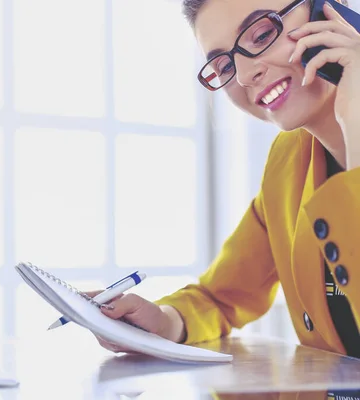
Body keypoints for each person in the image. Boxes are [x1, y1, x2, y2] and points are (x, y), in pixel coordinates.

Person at [93, 0, 360, 357]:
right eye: (223, 66)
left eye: (262, 33)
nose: (246, 73)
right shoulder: (289, 163)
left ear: (331, 10)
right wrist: (163, 321)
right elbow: (221, 296)